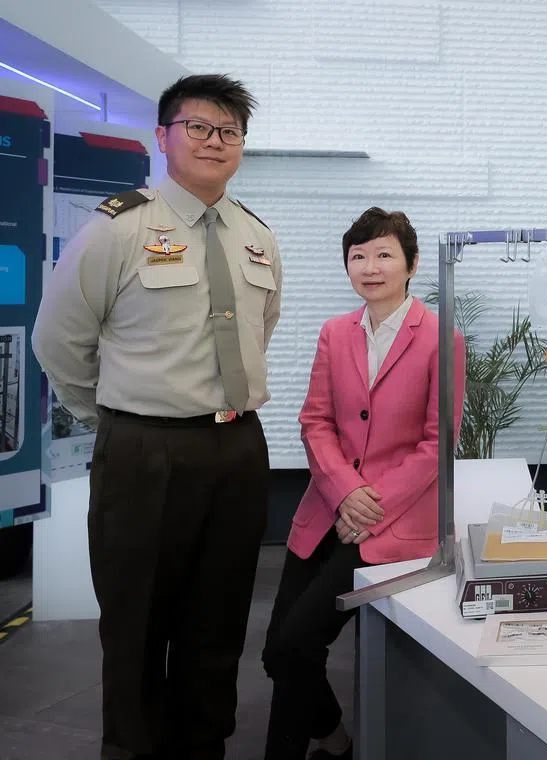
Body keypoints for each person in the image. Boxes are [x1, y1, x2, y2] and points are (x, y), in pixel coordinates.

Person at [31, 74, 279, 759]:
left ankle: (204, 747)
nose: (214, 141)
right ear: (162, 136)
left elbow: (262, 326)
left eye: (229, 131)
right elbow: (57, 340)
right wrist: (120, 417)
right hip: (146, 451)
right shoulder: (118, 229)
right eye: (198, 126)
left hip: (236, 451)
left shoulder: (256, 236)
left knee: (219, 622)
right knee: (138, 625)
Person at [260, 208, 464, 760]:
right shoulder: (334, 333)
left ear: (411, 264)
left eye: (383, 254)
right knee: (278, 653)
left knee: (299, 643)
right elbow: (315, 421)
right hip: (326, 510)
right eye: (358, 256)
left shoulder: (441, 338)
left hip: (391, 524)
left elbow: (436, 444)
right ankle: (333, 737)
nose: (370, 267)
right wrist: (344, 490)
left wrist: (370, 504)